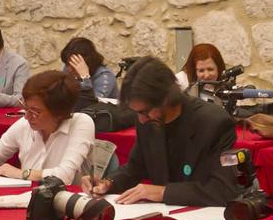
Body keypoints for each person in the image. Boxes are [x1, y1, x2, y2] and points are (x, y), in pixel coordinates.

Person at [88, 58, 240, 207]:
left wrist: (163, 192)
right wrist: (108, 183)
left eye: (145, 112)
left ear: (166, 99)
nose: (141, 120)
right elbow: (134, 168)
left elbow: (223, 190)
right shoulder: (148, 122)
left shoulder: (215, 123)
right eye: (137, 113)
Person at [0, 71, 96, 186]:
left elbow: (64, 176)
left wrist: (21, 173)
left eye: (35, 112)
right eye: (26, 108)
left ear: (58, 113)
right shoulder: (24, 125)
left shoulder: (81, 123)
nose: (27, 116)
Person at [61, 37, 117, 102]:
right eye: (67, 64)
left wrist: (85, 78)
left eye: (74, 65)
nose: (69, 69)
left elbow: (91, 105)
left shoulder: (105, 77)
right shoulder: (68, 70)